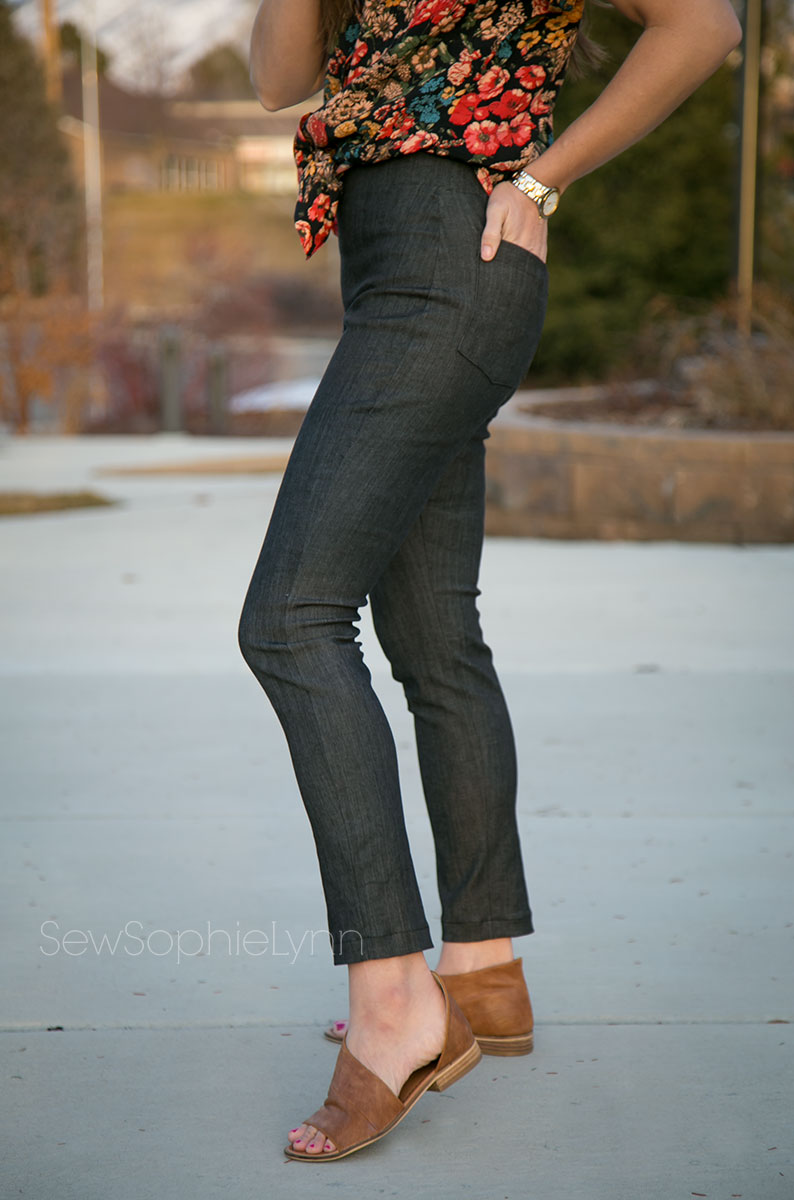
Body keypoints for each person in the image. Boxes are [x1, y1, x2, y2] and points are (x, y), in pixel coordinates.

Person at [239, 0, 742, 1162]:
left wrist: (544, 180)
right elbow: (277, 78)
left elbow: (701, 25)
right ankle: (480, 970)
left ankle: (394, 1001)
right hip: (396, 270)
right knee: (431, 637)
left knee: (290, 619)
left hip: (451, 260)